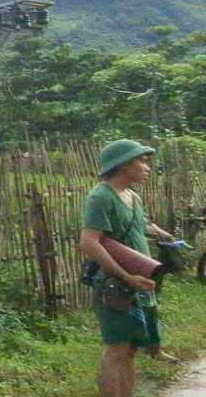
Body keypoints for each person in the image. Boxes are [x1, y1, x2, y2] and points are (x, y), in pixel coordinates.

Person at [79, 139, 182, 397]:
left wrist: (161, 233)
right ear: (124, 165)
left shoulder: (132, 196)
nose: (147, 166)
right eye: (142, 161)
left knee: (131, 350)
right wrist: (126, 275)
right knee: (116, 350)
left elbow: (139, 224)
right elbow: (89, 242)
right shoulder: (100, 197)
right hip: (116, 284)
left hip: (138, 283)